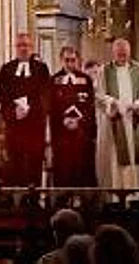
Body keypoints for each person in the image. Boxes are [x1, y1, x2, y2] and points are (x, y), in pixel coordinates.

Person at [0, 33, 51, 186]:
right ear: (15, 48)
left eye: (26, 45)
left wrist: (31, 110)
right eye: (20, 45)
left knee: (35, 159)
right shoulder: (7, 69)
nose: (23, 48)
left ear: (31, 47)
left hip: (35, 124)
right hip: (15, 123)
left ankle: (34, 196)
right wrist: (13, 112)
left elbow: (45, 93)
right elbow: (2, 94)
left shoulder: (41, 68)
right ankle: (16, 197)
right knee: (15, 159)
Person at [96, 38, 139, 189]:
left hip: (134, 119)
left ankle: (136, 193)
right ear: (113, 52)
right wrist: (113, 103)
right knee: (115, 159)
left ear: (129, 52)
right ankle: (117, 194)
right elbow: (99, 95)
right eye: (119, 53)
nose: (122, 56)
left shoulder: (138, 69)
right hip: (115, 120)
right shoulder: (104, 71)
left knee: (135, 157)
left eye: (124, 53)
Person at [48, 46, 97, 187]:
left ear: (77, 60)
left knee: (82, 167)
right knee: (63, 169)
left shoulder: (86, 79)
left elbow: (90, 105)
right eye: (67, 60)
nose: (70, 64)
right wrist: (63, 120)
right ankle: (62, 200)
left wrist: (79, 121)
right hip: (61, 134)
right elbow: (50, 106)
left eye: (73, 60)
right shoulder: (53, 80)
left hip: (81, 133)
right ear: (61, 60)